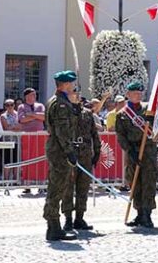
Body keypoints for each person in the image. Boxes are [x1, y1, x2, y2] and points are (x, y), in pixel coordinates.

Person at [41, 71, 79, 241]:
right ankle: (53, 226)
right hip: (59, 150)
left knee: (56, 187)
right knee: (57, 188)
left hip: (57, 148)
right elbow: (62, 130)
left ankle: (53, 225)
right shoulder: (61, 103)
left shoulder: (56, 101)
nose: (73, 86)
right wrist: (69, 151)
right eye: (71, 84)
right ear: (64, 84)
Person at [116, 81, 157, 228]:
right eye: (134, 93)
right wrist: (130, 150)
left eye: (140, 93)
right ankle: (139, 213)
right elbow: (120, 135)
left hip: (148, 150)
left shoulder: (149, 110)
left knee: (149, 182)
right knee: (135, 183)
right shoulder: (122, 114)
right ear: (128, 95)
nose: (137, 96)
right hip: (133, 149)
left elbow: (156, 127)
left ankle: (147, 213)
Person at [62, 91, 101, 232]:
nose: (78, 98)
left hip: (85, 154)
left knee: (83, 187)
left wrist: (97, 151)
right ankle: (67, 218)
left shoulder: (87, 114)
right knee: (68, 188)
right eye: (74, 95)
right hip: (71, 153)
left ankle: (79, 217)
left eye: (79, 96)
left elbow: (94, 134)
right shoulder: (65, 113)